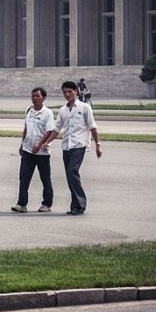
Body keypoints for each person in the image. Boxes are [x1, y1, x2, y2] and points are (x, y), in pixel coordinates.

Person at [33, 80, 102, 215]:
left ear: (76, 91)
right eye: (65, 92)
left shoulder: (84, 108)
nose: (67, 94)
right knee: (70, 176)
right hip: (66, 146)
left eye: (70, 91)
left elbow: (92, 126)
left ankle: (80, 204)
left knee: (72, 172)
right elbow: (57, 129)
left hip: (79, 145)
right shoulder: (62, 111)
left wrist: (98, 145)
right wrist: (47, 142)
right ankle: (75, 206)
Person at [11, 87, 54, 213]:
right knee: (24, 177)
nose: (35, 98)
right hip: (27, 150)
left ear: (43, 98)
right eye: (33, 96)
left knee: (45, 178)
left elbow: (49, 130)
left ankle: (47, 204)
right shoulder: (29, 110)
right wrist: (22, 144)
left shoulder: (47, 113)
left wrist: (39, 144)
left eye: (37, 96)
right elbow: (26, 128)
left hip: (42, 152)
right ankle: (21, 204)